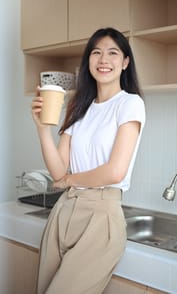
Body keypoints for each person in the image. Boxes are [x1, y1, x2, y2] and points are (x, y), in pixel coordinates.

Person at [31, 27, 146, 294]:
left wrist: (68, 180)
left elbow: (115, 171)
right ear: (88, 61)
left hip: (101, 215)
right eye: (96, 52)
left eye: (112, 53)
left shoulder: (130, 104)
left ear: (125, 62)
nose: (103, 60)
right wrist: (41, 128)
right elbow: (58, 168)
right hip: (65, 211)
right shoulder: (78, 105)